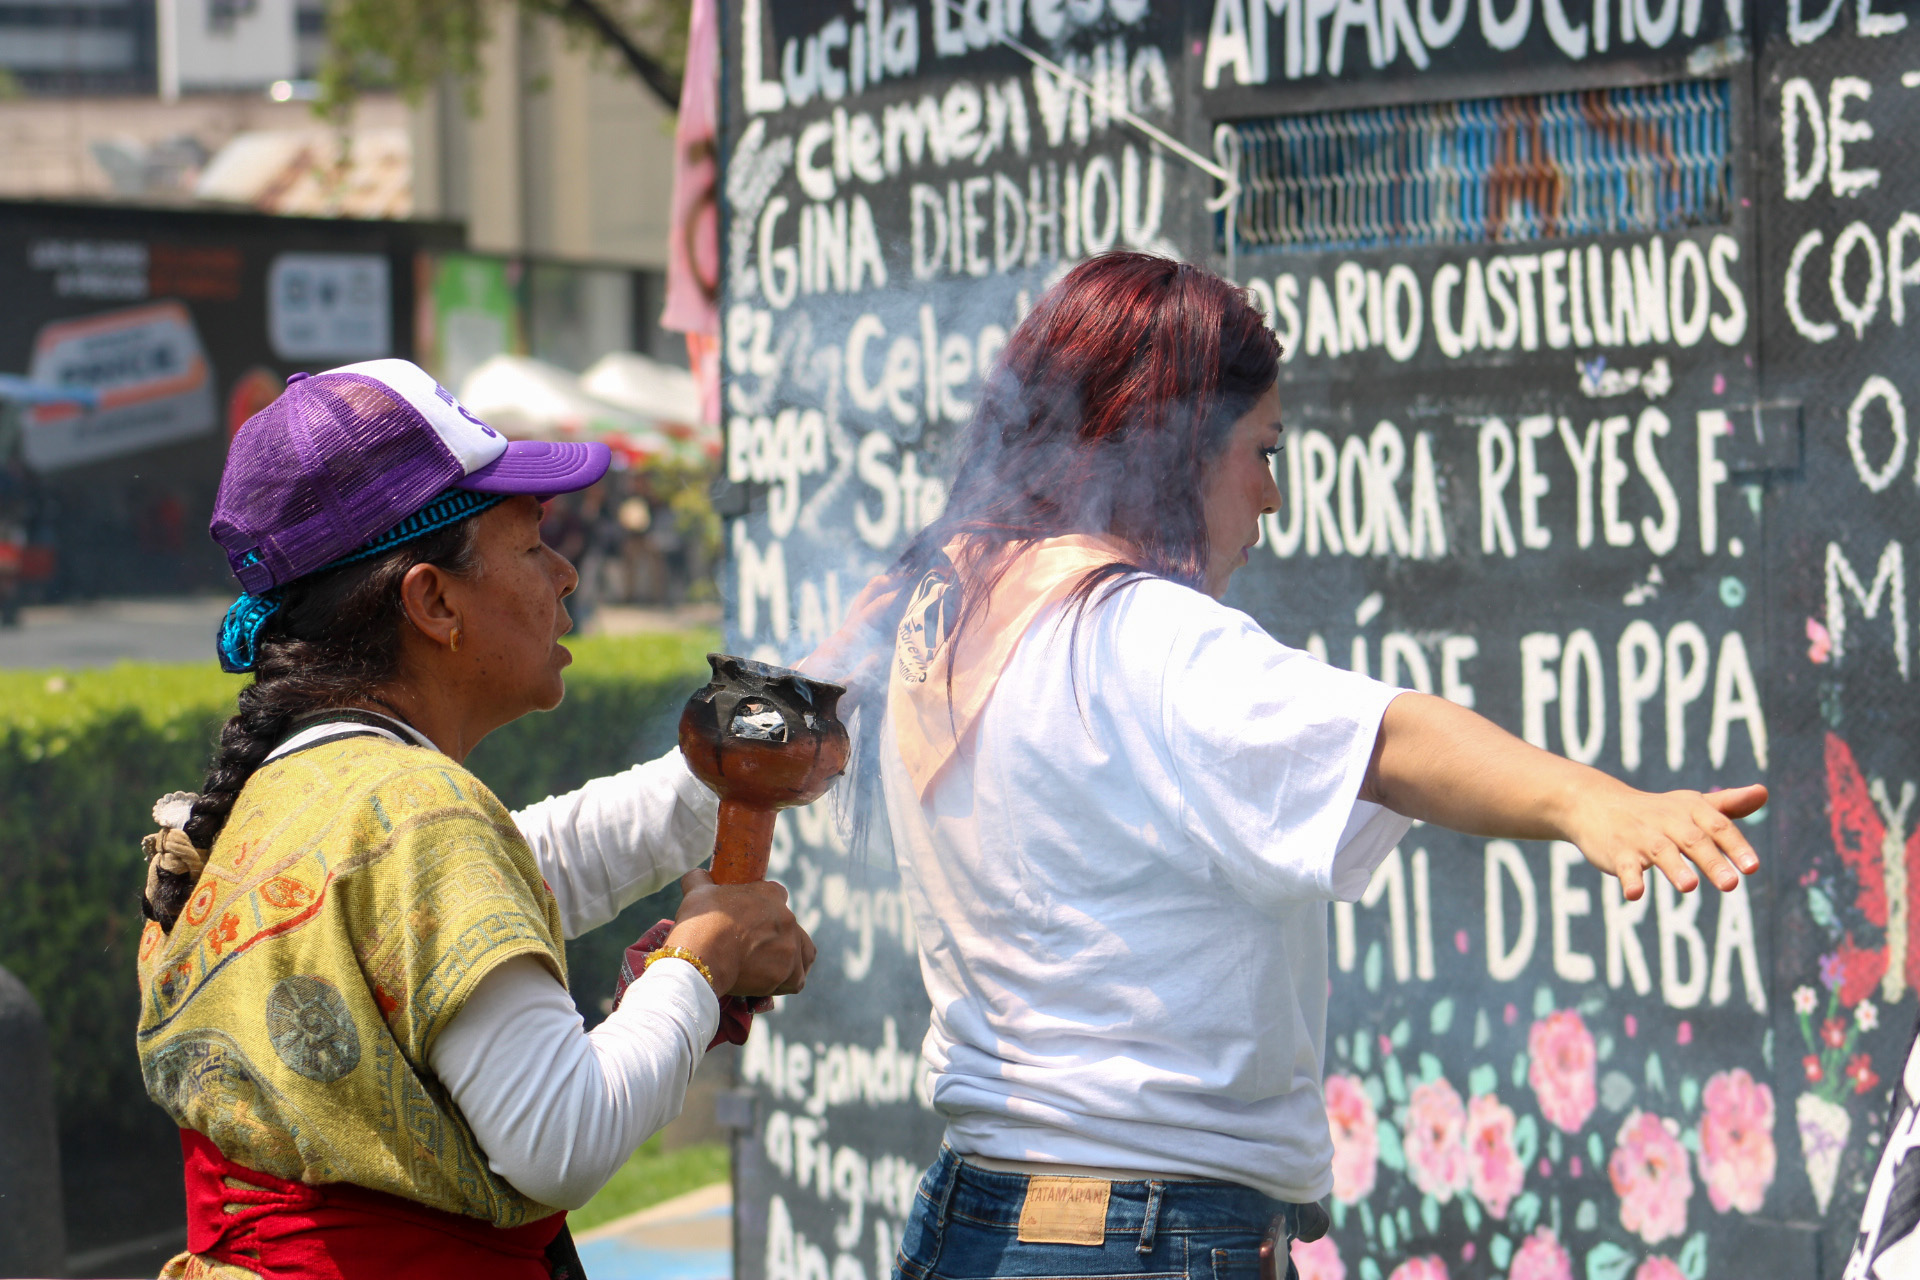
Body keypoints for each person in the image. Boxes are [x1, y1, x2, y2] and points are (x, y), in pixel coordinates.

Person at [807, 254, 1766, 1280]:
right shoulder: (1140, 635)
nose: (1270, 493)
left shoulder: (941, 608)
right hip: (1138, 1232)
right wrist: (1588, 799)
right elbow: (1390, 739)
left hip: (974, 1214)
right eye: (1261, 449)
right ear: (1171, 442)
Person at [135, 359, 816, 1280]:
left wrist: (715, 774)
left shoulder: (294, 787)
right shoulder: (417, 812)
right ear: (433, 600)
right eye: (534, 548)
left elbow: (508, 877)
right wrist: (704, 959)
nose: (569, 574)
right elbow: (558, 1138)